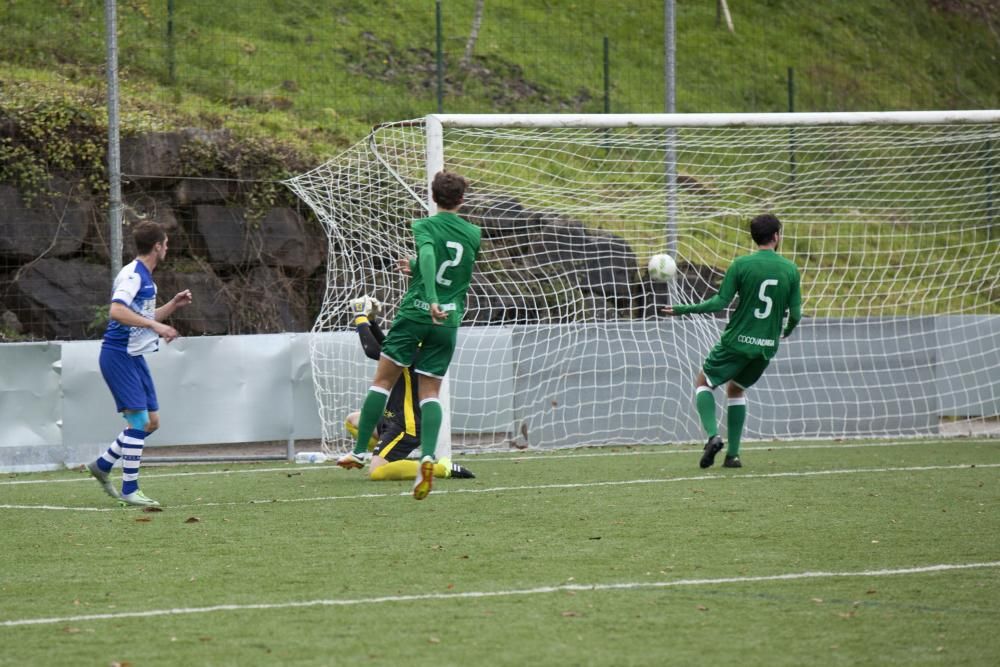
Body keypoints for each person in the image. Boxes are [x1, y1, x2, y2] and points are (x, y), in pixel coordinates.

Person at [337, 170, 481, 500]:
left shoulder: (425, 226)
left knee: (382, 382)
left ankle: (359, 453)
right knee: (430, 393)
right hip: (449, 321)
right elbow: (452, 268)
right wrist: (416, 268)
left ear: (433, 197)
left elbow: (432, 257)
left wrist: (429, 295)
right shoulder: (473, 233)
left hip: (418, 312)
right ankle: (429, 456)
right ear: (462, 199)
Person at [662, 213, 801, 469]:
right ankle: (733, 456)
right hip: (766, 347)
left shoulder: (741, 264)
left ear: (754, 237)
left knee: (703, 381)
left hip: (736, 341)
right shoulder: (790, 270)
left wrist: (684, 309)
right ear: (776, 236)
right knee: (736, 389)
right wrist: (787, 331)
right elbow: (796, 314)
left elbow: (719, 303)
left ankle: (713, 436)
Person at [85, 221, 193, 506]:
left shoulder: (146, 278)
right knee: (139, 421)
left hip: (133, 356)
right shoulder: (132, 275)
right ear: (157, 246)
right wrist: (157, 328)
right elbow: (117, 311)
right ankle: (130, 489)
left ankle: (102, 465)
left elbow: (143, 315)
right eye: (166, 244)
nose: (167, 248)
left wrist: (172, 305)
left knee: (151, 422)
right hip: (118, 355)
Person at [343, 295, 475, 482]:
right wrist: (371, 321)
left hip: (407, 426)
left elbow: (373, 350)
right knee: (353, 421)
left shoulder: (421, 346)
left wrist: (360, 317)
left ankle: (441, 468)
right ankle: (386, 454)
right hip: (393, 418)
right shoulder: (415, 339)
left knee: (377, 473)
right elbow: (387, 347)